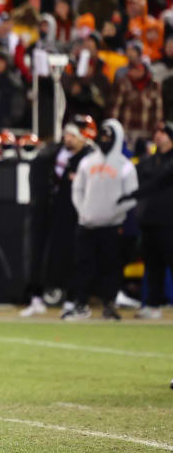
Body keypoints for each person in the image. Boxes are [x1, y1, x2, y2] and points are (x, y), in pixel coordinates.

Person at [20, 117, 93, 317]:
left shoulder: (89, 159)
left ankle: (72, 299)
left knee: (72, 256)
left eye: (73, 135)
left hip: (75, 214)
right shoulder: (50, 154)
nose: (68, 139)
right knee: (38, 252)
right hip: (48, 211)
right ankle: (36, 297)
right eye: (66, 135)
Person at [66, 119, 137, 321]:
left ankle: (109, 304)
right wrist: (83, 212)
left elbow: (131, 196)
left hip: (112, 225)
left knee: (111, 268)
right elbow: (77, 189)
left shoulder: (125, 166)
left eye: (109, 137)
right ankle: (80, 304)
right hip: (87, 223)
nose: (105, 140)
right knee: (82, 266)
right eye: (102, 137)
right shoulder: (88, 162)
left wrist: (114, 213)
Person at [124, 122, 173, 319]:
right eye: (157, 132)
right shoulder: (150, 161)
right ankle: (153, 305)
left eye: (163, 133)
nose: (158, 136)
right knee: (153, 265)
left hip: (170, 220)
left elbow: (159, 179)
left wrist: (135, 192)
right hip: (150, 220)